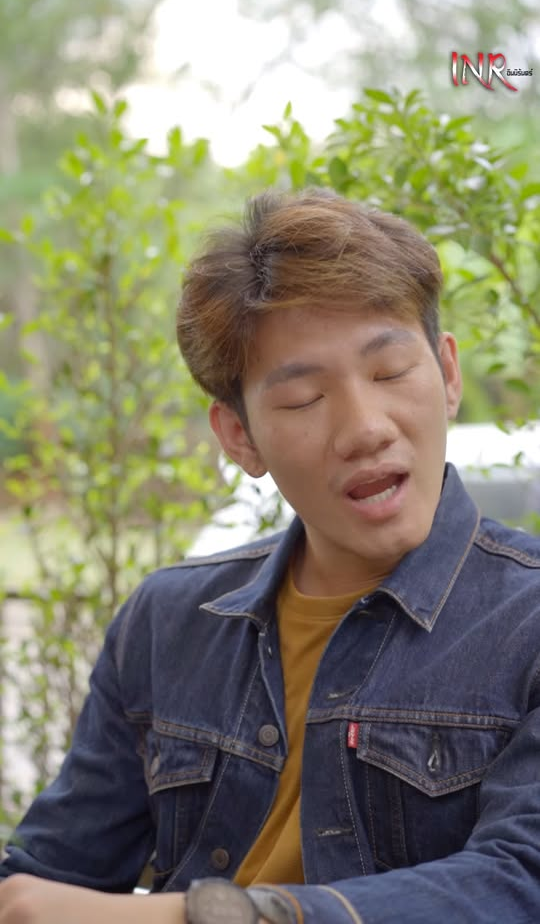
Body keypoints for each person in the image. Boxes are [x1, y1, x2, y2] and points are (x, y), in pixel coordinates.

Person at [1, 188, 540, 924]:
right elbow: (47, 877)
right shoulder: (168, 621)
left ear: (448, 374)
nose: (365, 428)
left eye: (389, 372)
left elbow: (518, 881)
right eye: (303, 399)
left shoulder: (526, 620)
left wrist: (213, 916)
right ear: (239, 437)